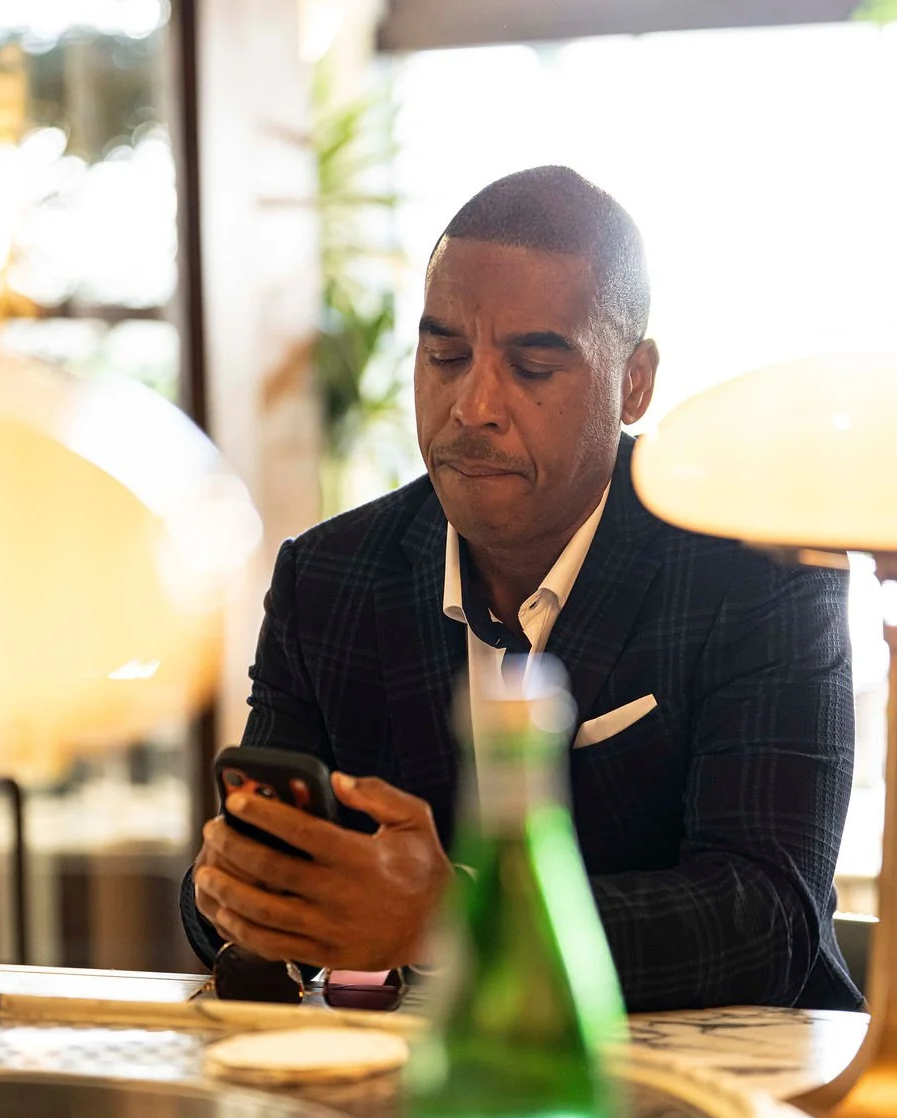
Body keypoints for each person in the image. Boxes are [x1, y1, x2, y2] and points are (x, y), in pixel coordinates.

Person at [182, 165, 861, 1012]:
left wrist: (454, 921)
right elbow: (236, 893)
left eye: (533, 367)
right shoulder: (328, 577)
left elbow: (768, 921)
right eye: (444, 356)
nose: (473, 406)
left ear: (635, 383)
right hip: (421, 1070)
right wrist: (245, 891)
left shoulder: (758, 571)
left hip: (735, 1073)